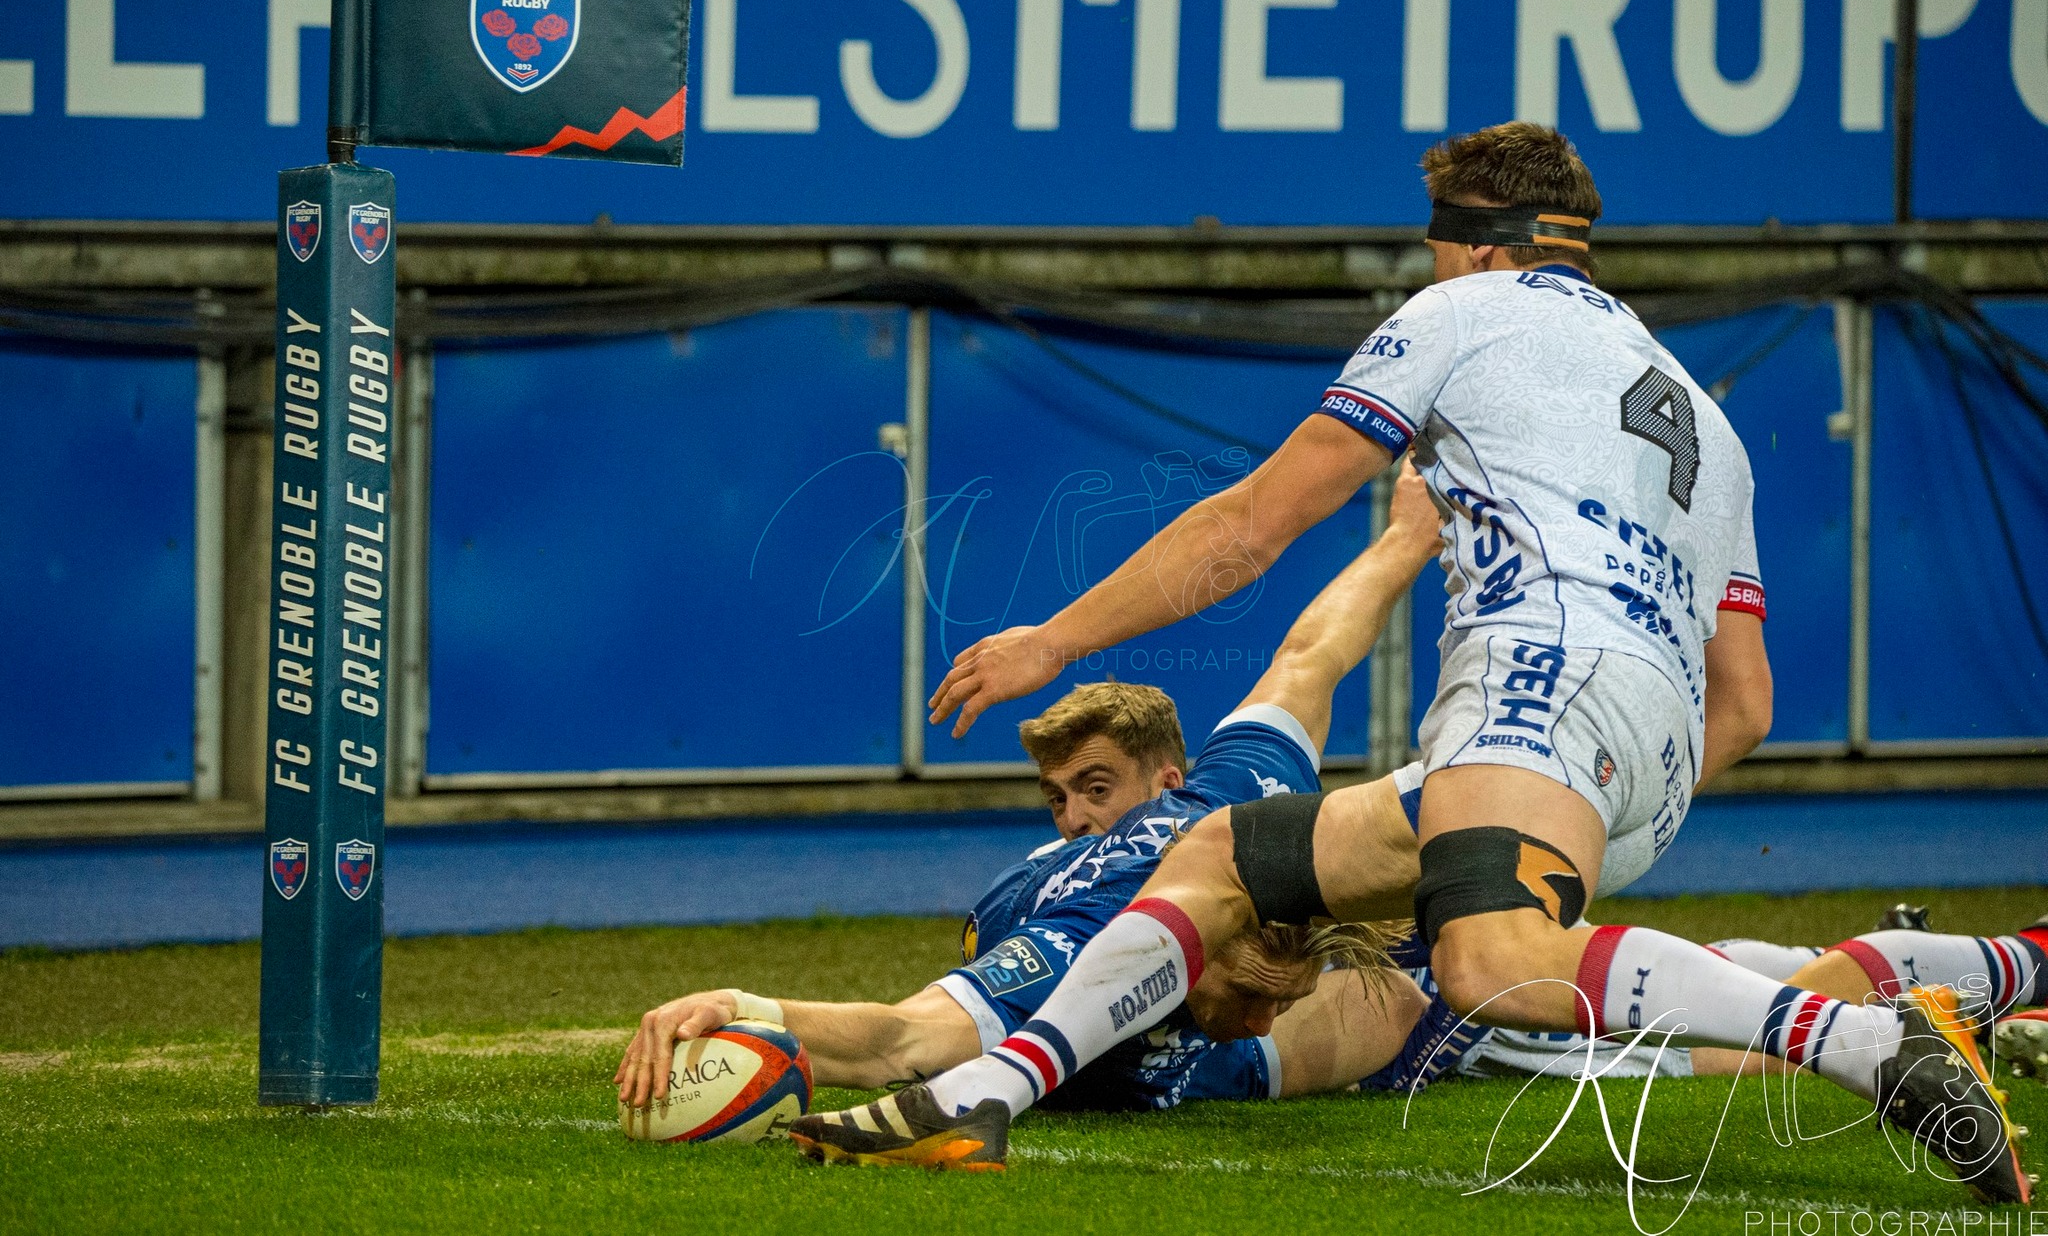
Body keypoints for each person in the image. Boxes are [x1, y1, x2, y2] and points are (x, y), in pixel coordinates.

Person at [790, 122, 2033, 1205]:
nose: (1427, 272)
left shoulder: (1462, 311)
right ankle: (986, 1093)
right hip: (1644, 754)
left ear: (1476, 244)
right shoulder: (1707, 423)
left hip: (1538, 676)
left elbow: (1247, 528)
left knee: (1490, 967)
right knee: (1219, 854)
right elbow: (1746, 703)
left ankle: (1864, 1041)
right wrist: (1581, 791)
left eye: (1434, 249)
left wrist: (1052, 640)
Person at [616, 473, 1450, 1118]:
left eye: (1278, 997)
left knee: (1409, 992)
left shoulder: (1247, 800)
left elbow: (1310, 658)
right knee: (1399, 1011)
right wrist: (740, 1005)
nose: (1263, 1015)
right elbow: (897, 1041)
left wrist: (1408, 537)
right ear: (1201, 931)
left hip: (1174, 981)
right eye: (1252, 993)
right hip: (1068, 971)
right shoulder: (1074, 943)